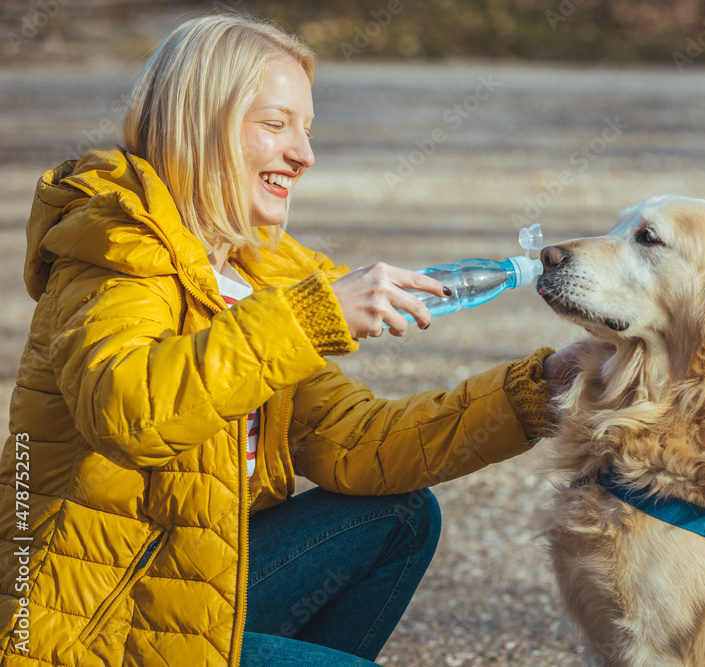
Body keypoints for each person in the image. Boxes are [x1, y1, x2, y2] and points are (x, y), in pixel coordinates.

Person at [0, 14, 576, 666]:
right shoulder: (115, 252)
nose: (303, 153)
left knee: (402, 517)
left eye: (306, 129)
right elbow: (129, 410)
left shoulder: (251, 277)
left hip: (182, 597)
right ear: (200, 124)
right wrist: (306, 318)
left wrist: (537, 391)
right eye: (275, 125)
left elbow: (358, 443)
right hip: (88, 632)